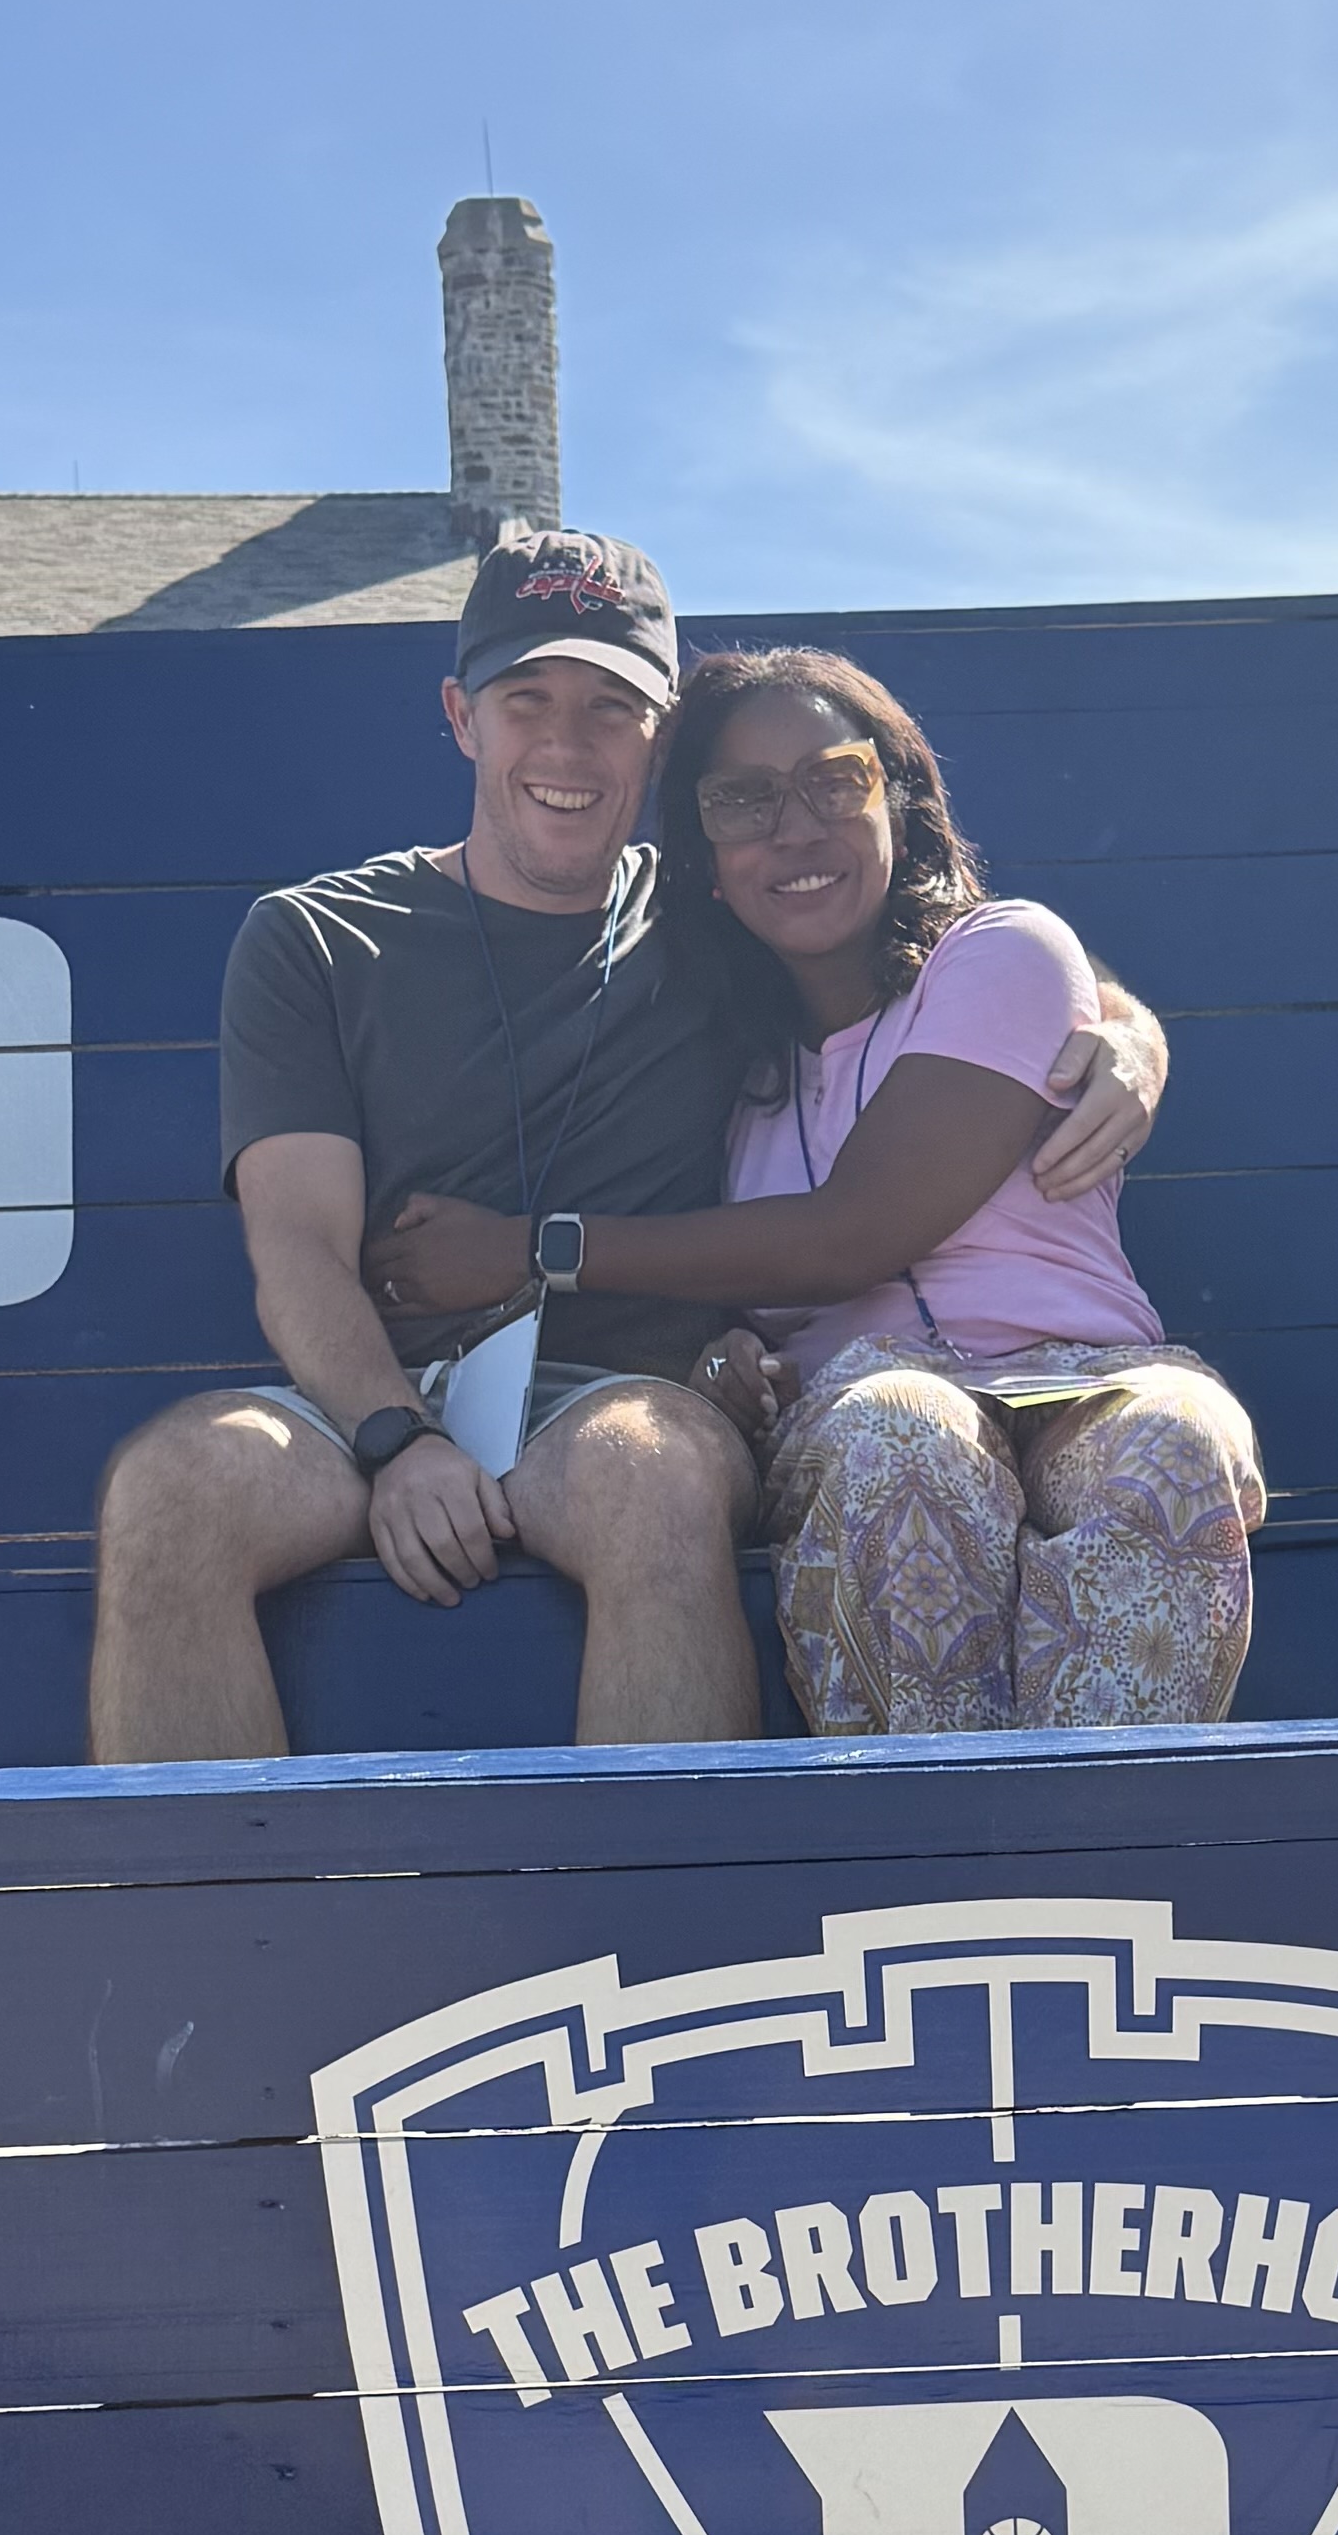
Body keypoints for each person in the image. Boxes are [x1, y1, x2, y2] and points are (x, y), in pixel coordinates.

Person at [85, 535, 1166, 1760]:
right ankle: (226, 1892)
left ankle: (654, 1892)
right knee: (169, 1492)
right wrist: (397, 1439)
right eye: (526, 700)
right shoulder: (319, 937)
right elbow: (297, 1248)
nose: (568, 744)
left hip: (623, 1397)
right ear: (461, 717)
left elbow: (961, 957)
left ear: (658, 744)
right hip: (368, 1400)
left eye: (612, 707)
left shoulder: (716, 914)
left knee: (653, 1479)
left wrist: (1129, 1031)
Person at [369, 646, 1262, 1736]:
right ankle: (941, 1835)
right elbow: (733, 1283)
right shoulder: (719, 1056)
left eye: (835, 782)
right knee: (904, 1434)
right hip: (864, 1406)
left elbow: (856, 1233)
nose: (794, 830)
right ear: (702, 855)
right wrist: (727, 1358)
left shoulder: (1001, 953)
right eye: (742, 802)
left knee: (1174, 1443)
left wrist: (530, 1249)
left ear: (901, 801)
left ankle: (1109, 1825)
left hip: (1093, 1379)